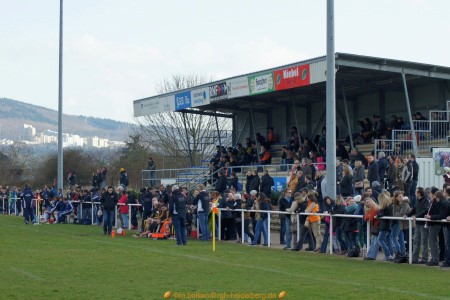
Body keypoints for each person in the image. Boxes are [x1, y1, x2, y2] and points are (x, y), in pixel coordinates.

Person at [407, 187, 430, 264]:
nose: (415, 193)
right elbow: (414, 209)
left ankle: (424, 258)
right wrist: (407, 215)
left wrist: (417, 217)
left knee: (424, 241)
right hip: (418, 224)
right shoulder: (417, 201)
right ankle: (415, 258)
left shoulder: (426, 201)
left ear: (419, 193)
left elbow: (425, 210)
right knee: (416, 241)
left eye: (416, 192)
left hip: (423, 224)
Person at [425, 190, 447, 266]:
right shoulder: (436, 202)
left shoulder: (438, 203)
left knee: (433, 242)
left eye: (430, 193)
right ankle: (434, 259)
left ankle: (435, 259)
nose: (430, 195)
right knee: (432, 242)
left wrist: (430, 217)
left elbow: (440, 215)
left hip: (435, 224)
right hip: (433, 223)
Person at [391, 191, 410, 261]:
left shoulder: (405, 204)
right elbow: (394, 214)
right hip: (397, 223)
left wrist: (396, 214)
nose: (401, 198)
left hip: (403, 224)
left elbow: (401, 214)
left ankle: (400, 253)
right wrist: (396, 214)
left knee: (396, 238)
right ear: (396, 198)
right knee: (400, 238)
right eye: (399, 196)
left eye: (402, 196)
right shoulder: (395, 205)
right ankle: (401, 253)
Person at [375, 192, 394, 261]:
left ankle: (388, 255)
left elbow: (382, 214)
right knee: (389, 241)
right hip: (388, 225)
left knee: (380, 240)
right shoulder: (390, 205)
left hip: (385, 226)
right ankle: (391, 255)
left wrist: (378, 215)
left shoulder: (386, 207)